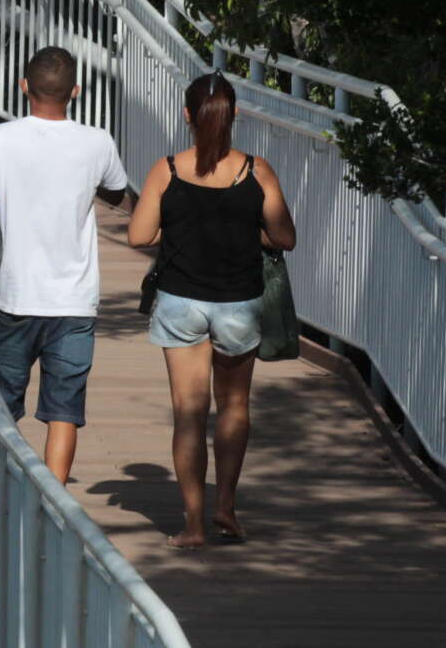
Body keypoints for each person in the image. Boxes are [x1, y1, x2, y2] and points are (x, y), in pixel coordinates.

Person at [127, 71, 297, 550]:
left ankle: (194, 525)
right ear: (234, 114)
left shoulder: (168, 170)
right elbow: (285, 237)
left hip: (181, 302)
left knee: (188, 413)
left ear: (186, 116)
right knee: (234, 405)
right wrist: (249, 233)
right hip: (239, 303)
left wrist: (176, 231)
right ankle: (226, 505)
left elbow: (139, 236)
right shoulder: (256, 171)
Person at [0, 45, 130, 485]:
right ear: (74, 91)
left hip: (13, 295)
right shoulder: (97, 142)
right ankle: (53, 503)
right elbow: (116, 191)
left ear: (23, 87)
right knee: (64, 408)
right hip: (73, 302)